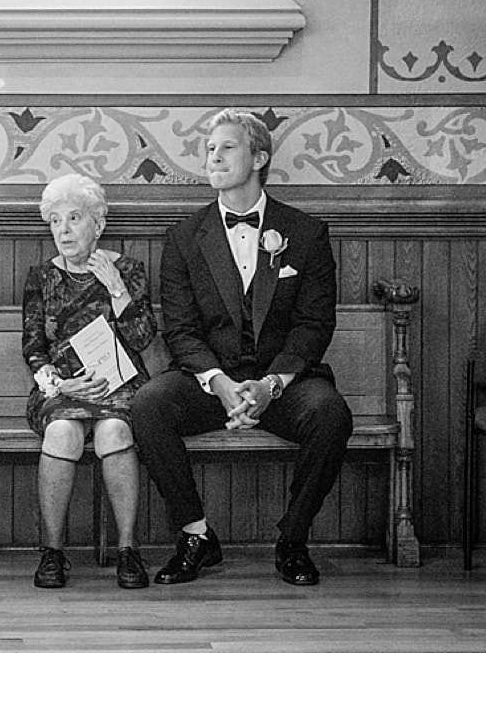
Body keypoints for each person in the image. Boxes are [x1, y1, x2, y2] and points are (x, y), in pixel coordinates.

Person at [131, 109, 353, 587]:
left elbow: (315, 325)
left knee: (331, 415)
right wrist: (220, 382)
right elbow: (182, 330)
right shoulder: (185, 237)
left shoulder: (306, 233)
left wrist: (273, 383)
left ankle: (292, 540)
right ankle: (195, 535)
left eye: (227, 147)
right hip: (211, 382)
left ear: (260, 157)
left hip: (283, 382)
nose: (214, 156)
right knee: (148, 405)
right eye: (210, 149)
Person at [22, 174, 158, 590]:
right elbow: (32, 348)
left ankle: (127, 550)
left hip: (119, 386)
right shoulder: (41, 277)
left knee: (114, 430)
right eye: (56, 221)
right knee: (62, 432)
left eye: (74, 218)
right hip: (61, 390)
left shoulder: (129, 271)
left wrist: (117, 290)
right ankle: (52, 553)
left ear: (97, 224)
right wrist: (58, 386)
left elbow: (142, 339)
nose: (63, 230)